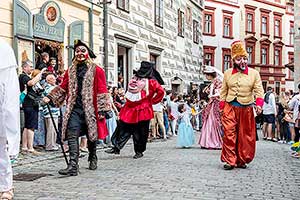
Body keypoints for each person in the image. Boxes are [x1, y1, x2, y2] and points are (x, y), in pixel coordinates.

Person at [43, 40, 110, 176]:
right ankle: (73, 165)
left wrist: (102, 109)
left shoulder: (97, 70)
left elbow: (102, 90)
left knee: (92, 136)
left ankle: (93, 155)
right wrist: (50, 97)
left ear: (88, 53)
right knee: (72, 134)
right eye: (77, 51)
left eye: (82, 51)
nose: (79, 53)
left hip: (91, 109)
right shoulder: (71, 70)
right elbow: (63, 86)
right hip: (75, 108)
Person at [105, 61, 165, 159]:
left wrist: (153, 101)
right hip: (129, 108)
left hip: (143, 110)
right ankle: (116, 146)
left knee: (140, 132)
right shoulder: (136, 78)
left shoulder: (152, 82)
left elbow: (161, 92)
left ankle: (139, 151)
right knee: (122, 127)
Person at [219, 41, 264, 170]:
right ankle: (230, 160)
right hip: (230, 107)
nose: (243, 61)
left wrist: (259, 105)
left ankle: (242, 159)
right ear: (234, 60)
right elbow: (223, 92)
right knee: (229, 133)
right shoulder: (227, 73)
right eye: (239, 59)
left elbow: (259, 91)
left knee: (245, 136)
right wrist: (222, 108)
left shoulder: (254, 73)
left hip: (246, 108)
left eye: (245, 58)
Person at [0, 39, 20, 200]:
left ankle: (6, 185)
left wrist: (12, 134)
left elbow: (11, 95)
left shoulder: (3, 50)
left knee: (1, 150)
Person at [19, 61, 46, 155]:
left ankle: (24, 147)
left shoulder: (26, 76)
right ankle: (30, 148)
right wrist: (41, 73)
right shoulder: (23, 76)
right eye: (30, 67)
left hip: (30, 104)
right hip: (29, 104)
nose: (32, 68)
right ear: (24, 68)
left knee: (27, 126)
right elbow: (31, 83)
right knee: (31, 126)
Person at [198, 66, 223, 149]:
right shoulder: (212, 83)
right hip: (211, 104)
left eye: (207, 75)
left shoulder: (217, 82)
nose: (206, 76)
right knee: (209, 121)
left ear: (210, 75)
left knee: (213, 122)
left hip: (215, 104)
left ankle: (213, 141)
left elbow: (220, 93)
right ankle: (207, 142)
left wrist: (212, 95)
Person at [42, 73, 60, 151]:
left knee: (53, 129)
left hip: (52, 112)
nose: (55, 80)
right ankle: (50, 145)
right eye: (53, 79)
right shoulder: (50, 88)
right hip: (50, 112)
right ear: (48, 80)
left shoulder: (49, 87)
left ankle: (53, 144)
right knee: (51, 130)